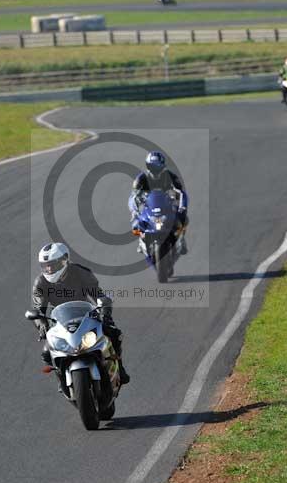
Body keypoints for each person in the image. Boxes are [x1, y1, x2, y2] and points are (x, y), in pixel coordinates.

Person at [31, 242, 130, 384]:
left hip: (86, 314)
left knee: (114, 334)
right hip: (59, 321)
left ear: (64, 260)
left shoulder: (80, 272)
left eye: (52, 264)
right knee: (46, 353)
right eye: (45, 266)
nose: (49, 269)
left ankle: (119, 367)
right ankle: (62, 379)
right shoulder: (40, 282)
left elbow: (99, 295)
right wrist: (42, 325)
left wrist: (105, 312)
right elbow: (38, 308)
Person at [129, 151, 189, 254]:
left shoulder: (171, 176)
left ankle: (181, 240)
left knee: (183, 219)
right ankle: (141, 241)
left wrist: (182, 207)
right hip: (149, 206)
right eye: (152, 167)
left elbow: (181, 192)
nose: (155, 170)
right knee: (136, 223)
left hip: (167, 205)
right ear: (147, 166)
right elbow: (133, 196)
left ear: (162, 167)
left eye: (157, 167)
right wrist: (134, 210)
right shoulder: (141, 178)